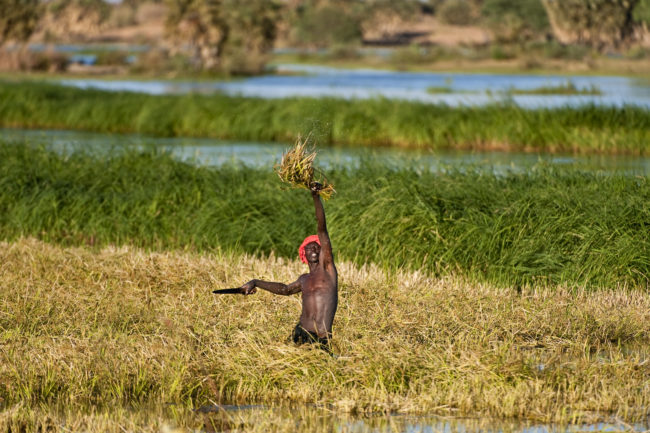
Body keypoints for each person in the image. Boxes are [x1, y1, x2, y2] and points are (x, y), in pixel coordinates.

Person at [238, 183, 338, 349]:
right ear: (303, 254)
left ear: (323, 252)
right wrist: (255, 282)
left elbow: (322, 228)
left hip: (322, 338)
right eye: (308, 247)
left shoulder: (327, 270)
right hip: (301, 333)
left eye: (317, 246)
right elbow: (284, 290)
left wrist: (315, 196)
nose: (313, 248)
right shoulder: (304, 279)